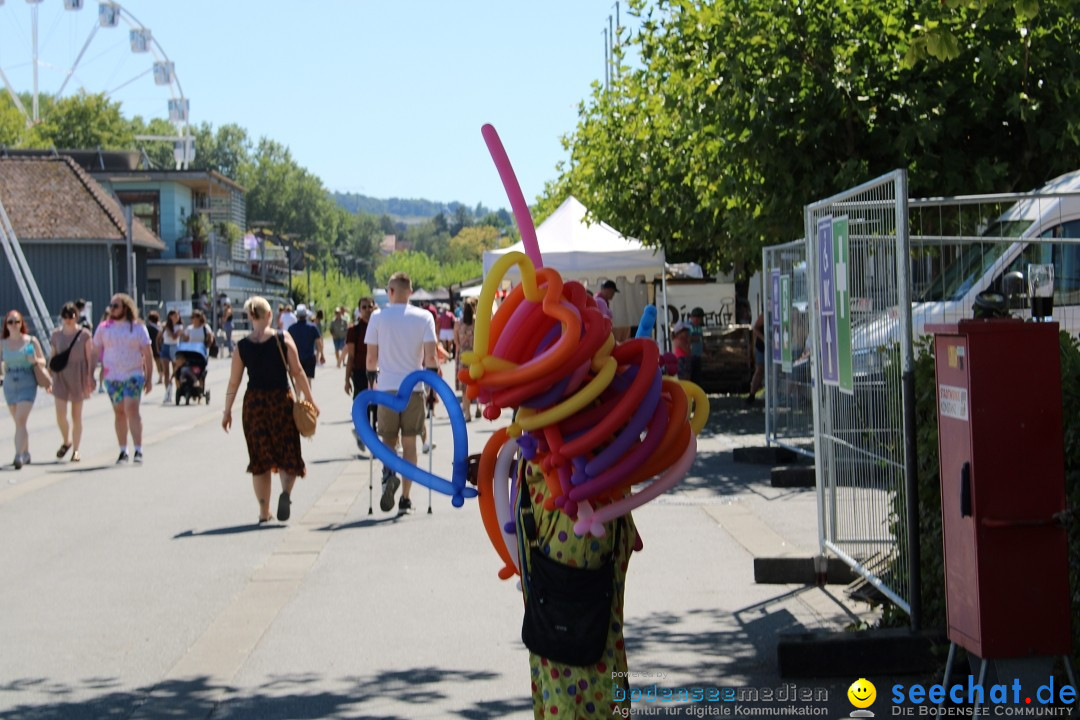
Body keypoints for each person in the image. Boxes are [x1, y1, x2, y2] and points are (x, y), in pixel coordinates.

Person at [222, 296, 318, 524]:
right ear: (270, 315)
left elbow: (233, 382)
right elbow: (297, 371)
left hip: (254, 405)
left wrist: (227, 411)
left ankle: (264, 512)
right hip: (280, 402)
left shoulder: (242, 346)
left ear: (249, 317)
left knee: (260, 460)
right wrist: (311, 400)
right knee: (287, 452)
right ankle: (286, 493)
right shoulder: (283, 338)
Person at [365, 272, 438, 515]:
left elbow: (371, 358)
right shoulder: (424, 317)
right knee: (410, 445)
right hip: (414, 389)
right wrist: (431, 388)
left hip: (386, 388)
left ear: (391, 292)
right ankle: (405, 498)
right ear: (411, 291)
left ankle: (389, 476)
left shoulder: (378, 317)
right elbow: (431, 358)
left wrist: (370, 380)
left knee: (387, 440)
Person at [93, 293, 153, 464]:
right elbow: (95, 351)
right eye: (111, 306)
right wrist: (90, 375)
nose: (112, 309)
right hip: (112, 377)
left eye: (116, 306)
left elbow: (147, 354)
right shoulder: (104, 328)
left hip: (133, 375)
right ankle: (122, 450)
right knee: (119, 412)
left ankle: (138, 449)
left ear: (125, 308)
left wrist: (148, 378)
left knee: (131, 409)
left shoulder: (137, 328)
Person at [50, 303, 95, 463]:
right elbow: (53, 357)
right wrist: (49, 378)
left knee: (76, 416)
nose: (69, 319)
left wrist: (90, 377)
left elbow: (90, 357)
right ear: (62, 318)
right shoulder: (56, 335)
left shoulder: (84, 335)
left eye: (72, 316)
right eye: (66, 316)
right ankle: (66, 441)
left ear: (76, 316)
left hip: (78, 375)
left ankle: (76, 450)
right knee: (60, 415)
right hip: (61, 376)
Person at [3, 310, 47, 468]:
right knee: (19, 422)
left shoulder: (30, 341)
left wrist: (35, 359)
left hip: (27, 381)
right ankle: (26, 452)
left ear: (22, 323)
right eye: (10, 322)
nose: (14, 325)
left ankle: (18, 455)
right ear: (6, 325)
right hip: (9, 382)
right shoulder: (3, 343)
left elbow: (43, 360)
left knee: (21, 419)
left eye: (17, 322)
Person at [344, 297, 377, 452]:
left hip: (377, 372)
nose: (367, 310)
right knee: (361, 406)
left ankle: (373, 440)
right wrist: (346, 379)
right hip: (359, 373)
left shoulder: (379, 327)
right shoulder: (354, 330)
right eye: (364, 307)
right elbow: (351, 356)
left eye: (370, 306)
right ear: (359, 310)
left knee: (376, 408)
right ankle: (361, 433)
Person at [454, 298, 479, 421]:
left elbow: (456, 342)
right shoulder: (476, 323)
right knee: (477, 382)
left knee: (464, 387)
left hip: (463, 356)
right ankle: (478, 407)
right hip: (475, 355)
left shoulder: (458, 323)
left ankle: (467, 413)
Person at [287, 304, 322, 379]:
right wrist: (321, 354)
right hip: (309, 357)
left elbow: (287, 345)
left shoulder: (291, 328)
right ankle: (308, 391)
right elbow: (319, 342)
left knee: (298, 380)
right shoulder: (312, 327)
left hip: (296, 358)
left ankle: (298, 391)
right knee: (308, 379)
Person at [159, 309, 182, 402]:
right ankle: (168, 392)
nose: (176, 317)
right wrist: (158, 347)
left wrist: (168, 328)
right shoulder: (165, 325)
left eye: (177, 316)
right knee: (166, 372)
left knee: (175, 371)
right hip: (165, 347)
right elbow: (159, 337)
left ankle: (178, 391)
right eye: (174, 316)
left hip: (174, 347)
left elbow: (174, 337)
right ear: (170, 317)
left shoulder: (179, 326)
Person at [747, 313, 765, 404]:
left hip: (775, 347)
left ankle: (772, 393)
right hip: (761, 347)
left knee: (774, 371)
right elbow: (755, 328)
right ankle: (752, 394)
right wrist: (764, 339)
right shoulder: (765, 315)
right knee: (759, 370)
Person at [688, 307, 705, 385]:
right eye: (697, 318)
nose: (699, 320)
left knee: (697, 377)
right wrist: (696, 338)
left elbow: (702, 339)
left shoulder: (699, 327)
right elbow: (686, 338)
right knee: (691, 376)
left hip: (698, 355)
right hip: (690, 356)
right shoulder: (688, 326)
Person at [146, 311, 162, 385]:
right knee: (160, 362)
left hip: (154, 346)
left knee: (158, 362)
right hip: (161, 346)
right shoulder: (160, 326)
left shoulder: (149, 327)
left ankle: (160, 377)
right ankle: (161, 376)